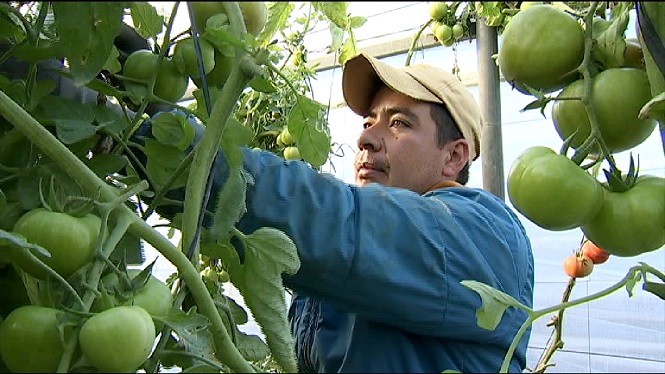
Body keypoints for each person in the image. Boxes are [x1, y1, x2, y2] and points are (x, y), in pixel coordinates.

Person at [198, 52, 535, 372]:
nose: (366, 137)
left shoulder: (483, 234)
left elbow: (333, 223)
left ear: (453, 156)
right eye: (369, 122)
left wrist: (186, 155)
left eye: (399, 123)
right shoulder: (351, 260)